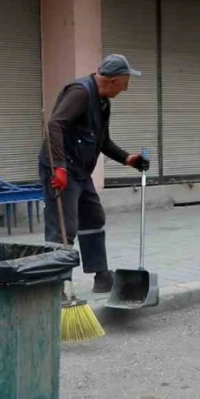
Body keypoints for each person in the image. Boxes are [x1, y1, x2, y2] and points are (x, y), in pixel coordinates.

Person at [40, 54, 151, 293]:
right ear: (113, 80)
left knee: (93, 217)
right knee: (63, 228)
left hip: (79, 171)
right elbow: (55, 125)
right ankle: (56, 285)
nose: (126, 88)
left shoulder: (103, 102)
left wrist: (128, 159)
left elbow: (102, 141)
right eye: (126, 82)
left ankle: (101, 276)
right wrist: (58, 166)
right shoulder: (80, 93)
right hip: (61, 168)